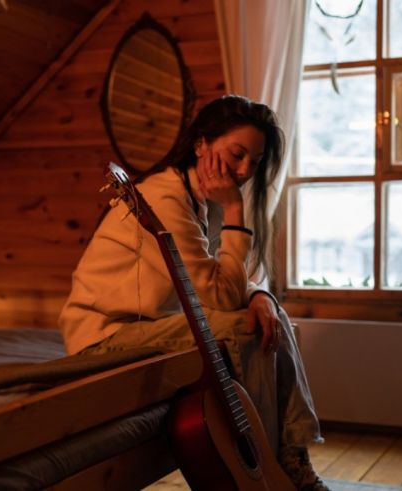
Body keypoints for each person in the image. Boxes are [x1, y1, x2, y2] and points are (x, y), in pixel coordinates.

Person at [59, 95, 329, 491]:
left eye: (254, 162)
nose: (243, 171)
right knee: (244, 328)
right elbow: (222, 295)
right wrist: (235, 210)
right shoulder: (164, 198)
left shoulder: (201, 198)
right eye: (237, 154)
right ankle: (268, 465)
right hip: (104, 336)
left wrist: (261, 295)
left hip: (154, 325)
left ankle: (291, 459)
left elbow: (225, 279)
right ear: (201, 144)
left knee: (269, 316)